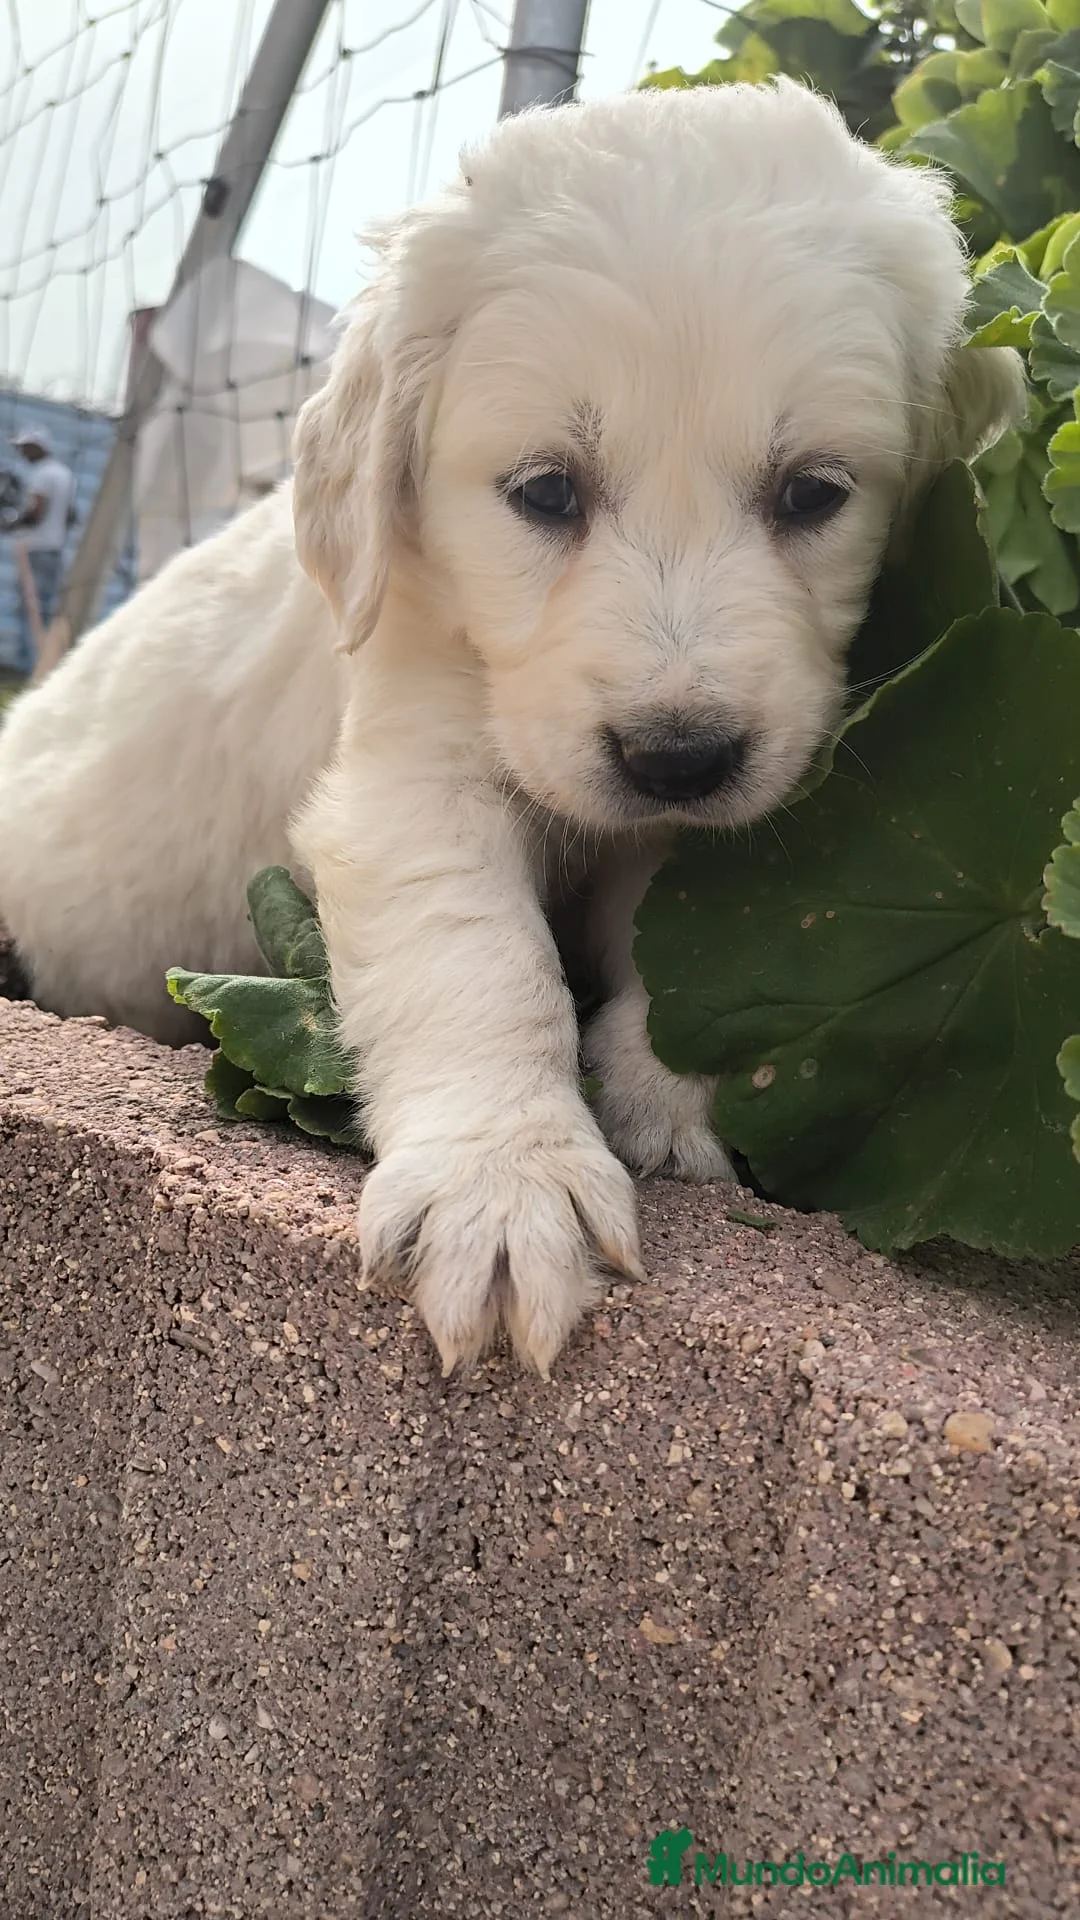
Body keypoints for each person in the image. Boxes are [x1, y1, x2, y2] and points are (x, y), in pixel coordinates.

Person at [6, 427, 76, 677]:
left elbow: (36, 513)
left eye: (26, 448)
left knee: (30, 606)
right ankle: (46, 662)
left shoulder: (43, 474)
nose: (23, 453)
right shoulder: (66, 474)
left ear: (39, 447)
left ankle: (28, 665)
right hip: (55, 549)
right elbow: (71, 515)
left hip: (36, 549)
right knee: (46, 607)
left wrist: (10, 525)